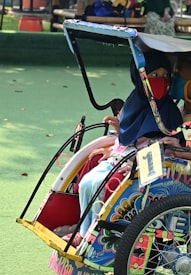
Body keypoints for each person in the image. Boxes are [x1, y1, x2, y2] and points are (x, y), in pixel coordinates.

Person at [71, 51, 184, 247]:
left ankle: (93, 237)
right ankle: (83, 231)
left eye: (165, 76)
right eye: (154, 75)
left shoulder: (169, 110)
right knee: (87, 182)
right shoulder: (134, 102)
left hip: (149, 165)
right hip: (123, 157)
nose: (161, 80)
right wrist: (114, 147)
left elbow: (172, 143)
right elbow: (125, 136)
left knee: (102, 184)